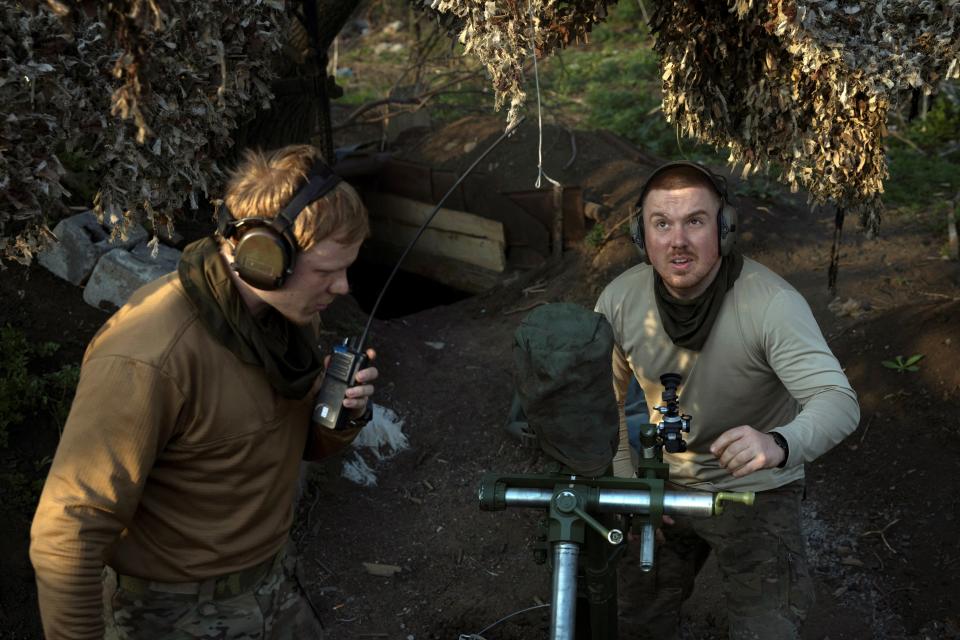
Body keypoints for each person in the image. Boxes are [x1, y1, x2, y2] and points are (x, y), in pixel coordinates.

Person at [30, 144, 379, 639]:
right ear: (262, 257)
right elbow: (67, 534)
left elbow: (281, 447)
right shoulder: (150, 356)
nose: (342, 287)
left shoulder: (284, 320)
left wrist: (337, 414)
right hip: (170, 616)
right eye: (326, 271)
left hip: (273, 588)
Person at [595, 161, 860, 639]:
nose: (677, 240)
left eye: (695, 221)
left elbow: (837, 399)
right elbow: (601, 403)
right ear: (641, 234)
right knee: (631, 618)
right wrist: (628, 485)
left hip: (756, 487)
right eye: (662, 224)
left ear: (725, 228)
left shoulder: (770, 303)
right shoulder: (619, 300)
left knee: (767, 627)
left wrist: (779, 443)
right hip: (664, 487)